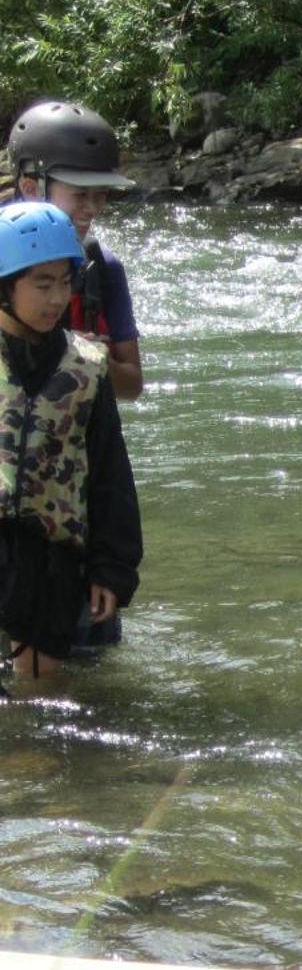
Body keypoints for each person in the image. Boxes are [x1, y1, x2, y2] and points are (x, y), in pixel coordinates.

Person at [0, 200, 142, 684]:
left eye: (65, 281)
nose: (57, 298)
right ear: (5, 286)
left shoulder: (87, 366)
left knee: (38, 702)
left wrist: (111, 566)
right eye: (42, 284)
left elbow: (109, 473)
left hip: (52, 559)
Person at [6, 102, 142, 402]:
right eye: (80, 195)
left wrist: (91, 357)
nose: (92, 209)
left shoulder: (103, 265)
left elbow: (132, 385)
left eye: (101, 195)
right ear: (31, 188)